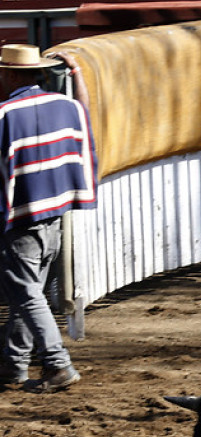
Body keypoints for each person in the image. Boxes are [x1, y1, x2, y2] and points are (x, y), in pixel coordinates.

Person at [0, 44, 97, 392]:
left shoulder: (6, 113)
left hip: (22, 219)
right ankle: (13, 366)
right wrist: (78, 74)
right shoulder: (66, 106)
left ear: (11, 74)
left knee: (26, 293)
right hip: (55, 215)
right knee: (29, 292)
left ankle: (57, 364)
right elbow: (86, 115)